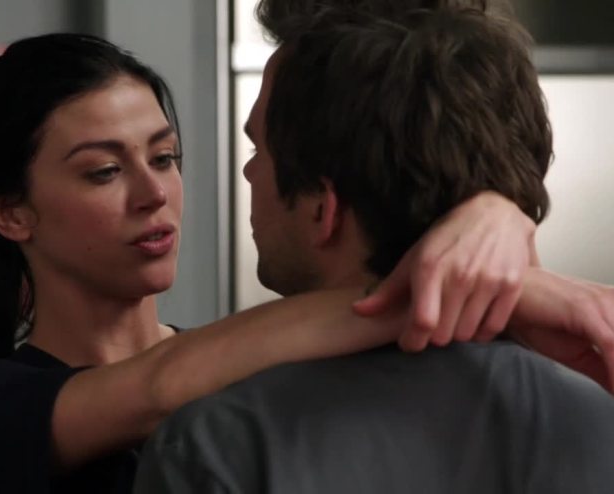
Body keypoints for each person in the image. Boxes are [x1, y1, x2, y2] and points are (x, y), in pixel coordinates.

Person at [0, 32, 612, 494]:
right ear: (13, 213)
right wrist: (463, 267)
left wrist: (494, 216)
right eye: (103, 171)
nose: (154, 194)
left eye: (165, 158)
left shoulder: (261, 372)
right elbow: (157, 387)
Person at [133, 3, 614, 493]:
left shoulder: (218, 449)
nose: (248, 171)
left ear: (323, 208)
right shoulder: (596, 419)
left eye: (259, 150)